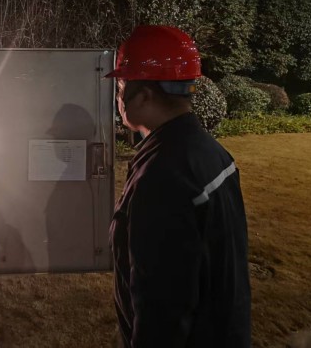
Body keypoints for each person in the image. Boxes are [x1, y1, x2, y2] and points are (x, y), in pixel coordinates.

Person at [106, 25, 251, 347]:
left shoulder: (163, 176)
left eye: (121, 87)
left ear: (144, 95)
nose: (117, 99)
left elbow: (161, 307)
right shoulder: (210, 152)